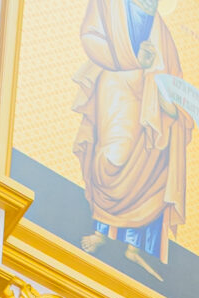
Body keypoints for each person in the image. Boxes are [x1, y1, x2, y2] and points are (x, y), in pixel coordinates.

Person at [73, 0, 189, 277]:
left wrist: (172, 105)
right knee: (112, 158)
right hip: (117, 90)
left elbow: (175, 81)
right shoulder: (108, 6)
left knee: (151, 167)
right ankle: (102, 230)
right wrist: (133, 59)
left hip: (149, 105)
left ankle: (135, 246)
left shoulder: (161, 29)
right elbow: (91, 38)